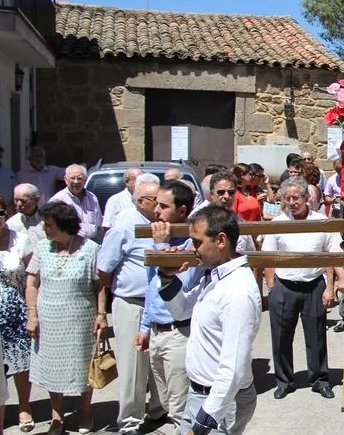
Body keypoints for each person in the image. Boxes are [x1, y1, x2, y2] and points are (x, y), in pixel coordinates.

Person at [156, 206, 260, 435]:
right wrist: (166, 277)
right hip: (201, 396)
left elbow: (233, 368)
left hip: (220, 403)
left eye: (197, 242)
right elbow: (182, 311)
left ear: (221, 240)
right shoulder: (215, 278)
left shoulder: (236, 292)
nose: (193, 250)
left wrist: (204, 422)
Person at [261, 178, 344, 401]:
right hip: (285, 285)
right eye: (287, 198)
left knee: (316, 335)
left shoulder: (322, 222)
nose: (291, 202)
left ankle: (320, 379)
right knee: (281, 337)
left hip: (313, 285)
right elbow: (268, 257)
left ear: (307, 198)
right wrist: (272, 288)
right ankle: (284, 381)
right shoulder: (278, 223)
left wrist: (335, 283)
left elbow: (332, 254)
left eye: (295, 198)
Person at [26, 201, 107, 435]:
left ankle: (85, 411)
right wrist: (32, 314)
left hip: (80, 318)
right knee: (52, 367)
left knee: (83, 365)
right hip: (48, 318)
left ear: (63, 225)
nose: (45, 229)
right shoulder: (42, 248)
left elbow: (100, 285)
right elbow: (32, 283)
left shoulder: (90, 249)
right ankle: (57, 416)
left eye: (49, 225)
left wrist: (101, 314)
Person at [97, 178, 166, 435]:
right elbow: (103, 269)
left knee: (157, 362)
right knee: (133, 366)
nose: (160, 206)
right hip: (132, 303)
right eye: (156, 201)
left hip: (159, 304)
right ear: (141, 202)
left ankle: (158, 409)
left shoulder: (161, 222)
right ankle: (129, 421)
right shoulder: (124, 225)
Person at [136, 181, 199, 435]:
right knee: (163, 400)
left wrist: (161, 248)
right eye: (155, 205)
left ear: (182, 211)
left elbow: (176, 285)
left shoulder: (191, 246)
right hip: (157, 332)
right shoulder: (160, 239)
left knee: (180, 408)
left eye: (163, 206)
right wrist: (145, 326)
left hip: (178, 333)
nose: (157, 212)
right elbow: (151, 287)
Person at [0, 192, 33, 432]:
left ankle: (24, 407)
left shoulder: (21, 239)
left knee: (20, 362)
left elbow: (33, 277)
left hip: (16, 310)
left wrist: (32, 310)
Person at [49, 165, 103, 243]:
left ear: (85, 180)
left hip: (92, 245)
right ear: (66, 180)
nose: (76, 181)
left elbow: (98, 226)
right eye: (72, 178)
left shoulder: (92, 197)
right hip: (69, 247)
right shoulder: (57, 200)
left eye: (79, 178)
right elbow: (53, 229)